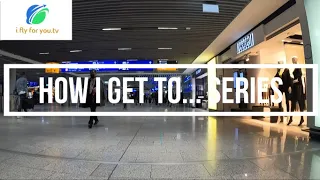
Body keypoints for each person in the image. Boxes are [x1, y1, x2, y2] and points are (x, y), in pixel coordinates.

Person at [287, 57, 304, 126]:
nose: (292, 61)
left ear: (296, 60)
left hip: (298, 87)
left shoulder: (298, 68)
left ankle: (301, 118)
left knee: (299, 103)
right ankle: (291, 118)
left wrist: (292, 81)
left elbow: (298, 79)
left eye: (293, 59)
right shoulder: (295, 67)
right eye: (292, 60)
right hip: (295, 87)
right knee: (293, 103)